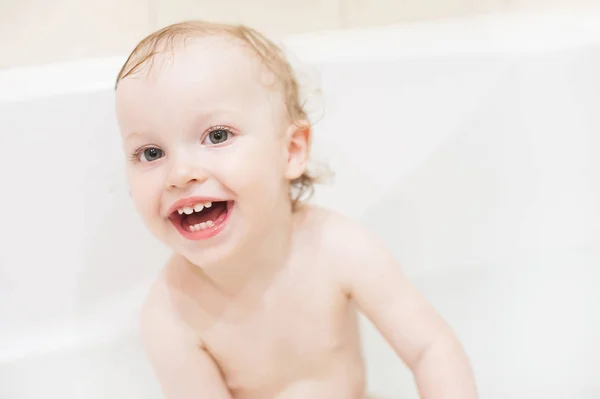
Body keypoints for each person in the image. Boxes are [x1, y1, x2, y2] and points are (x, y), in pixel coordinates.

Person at [114, 20, 478, 399]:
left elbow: (430, 349)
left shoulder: (339, 250)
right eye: (151, 153)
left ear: (291, 151)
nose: (181, 174)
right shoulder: (171, 316)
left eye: (217, 135)